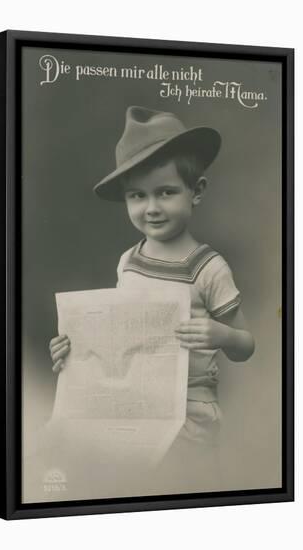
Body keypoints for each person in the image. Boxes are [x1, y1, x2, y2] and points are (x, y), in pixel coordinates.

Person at [49, 106, 255, 494]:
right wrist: (71, 351)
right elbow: (116, 340)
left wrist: (220, 334)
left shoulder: (208, 268)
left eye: (166, 192)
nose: (152, 208)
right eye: (137, 195)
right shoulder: (129, 262)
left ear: (197, 192)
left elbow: (246, 344)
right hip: (132, 406)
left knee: (182, 491)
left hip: (191, 413)